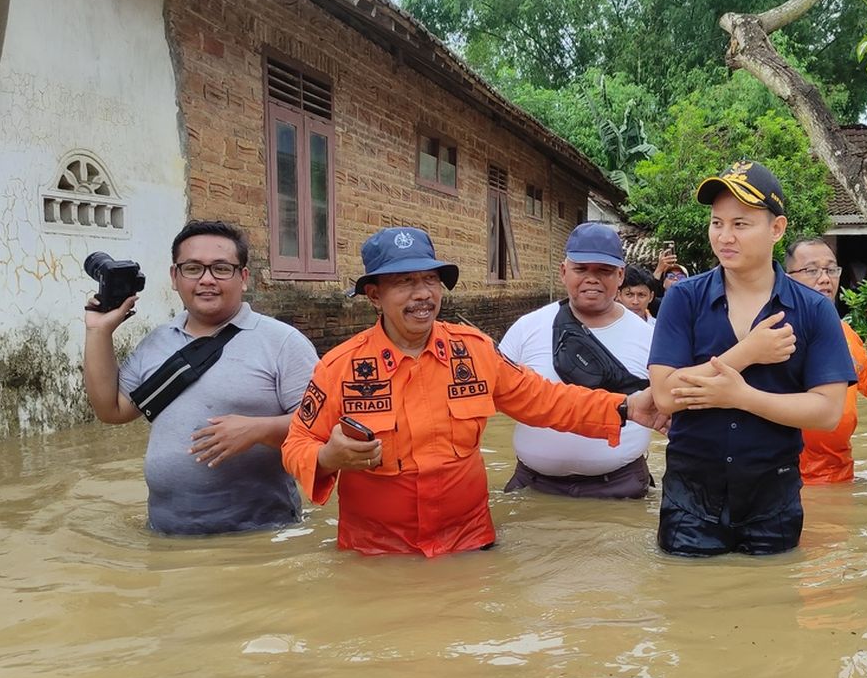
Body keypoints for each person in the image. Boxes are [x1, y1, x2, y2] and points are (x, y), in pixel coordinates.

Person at [280, 227, 665, 557]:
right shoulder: (340, 367)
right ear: (375, 296)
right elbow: (297, 443)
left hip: (469, 544)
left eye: (430, 280)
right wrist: (328, 457)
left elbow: (547, 400)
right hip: (378, 552)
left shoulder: (474, 351)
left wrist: (627, 407)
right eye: (403, 282)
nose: (422, 295)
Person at [647, 160, 857, 556]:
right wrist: (746, 353)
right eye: (717, 223)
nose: (725, 236)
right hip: (690, 495)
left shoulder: (813, 310)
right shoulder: (683, 299)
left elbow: (828, 413)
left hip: (772, 495)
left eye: (740, 224)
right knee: (683, 607)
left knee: (772, 608)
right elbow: (665, 396)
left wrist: (742, 397)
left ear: (776, 229)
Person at [82, 219, 319, 535]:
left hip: (259, 539)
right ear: (174, 277)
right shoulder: (157, 342)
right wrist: (98, 331)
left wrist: (259, 429)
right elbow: (111, 410)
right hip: (166, 538)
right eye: (193, 268)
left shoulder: (282, 343)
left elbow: (323, 425)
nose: (207, 280)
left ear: (243, 277)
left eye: (221, 269)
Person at [500, 222, 655, 498]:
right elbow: (493, 398)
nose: (592, 279)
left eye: (604, 271)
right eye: (581, 269)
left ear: (620, 275)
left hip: (620, 487)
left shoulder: (651, 336)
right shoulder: (527, 328)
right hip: (533, 486)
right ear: (563, 272)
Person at [785, 238, 867, 484]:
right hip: (789, 482)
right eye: (812, 270)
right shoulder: (775, 333)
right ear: (787, 279)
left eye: (831, 269)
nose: (825, 278)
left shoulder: (845, 333)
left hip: (839, 476)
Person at [648, 245, 688, 317]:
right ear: (664, 283)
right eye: (671, 276)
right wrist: (659, 269)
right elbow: (647, 294)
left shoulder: (693, 305)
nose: (675, 279)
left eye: (680, 277)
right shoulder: (657, 304)